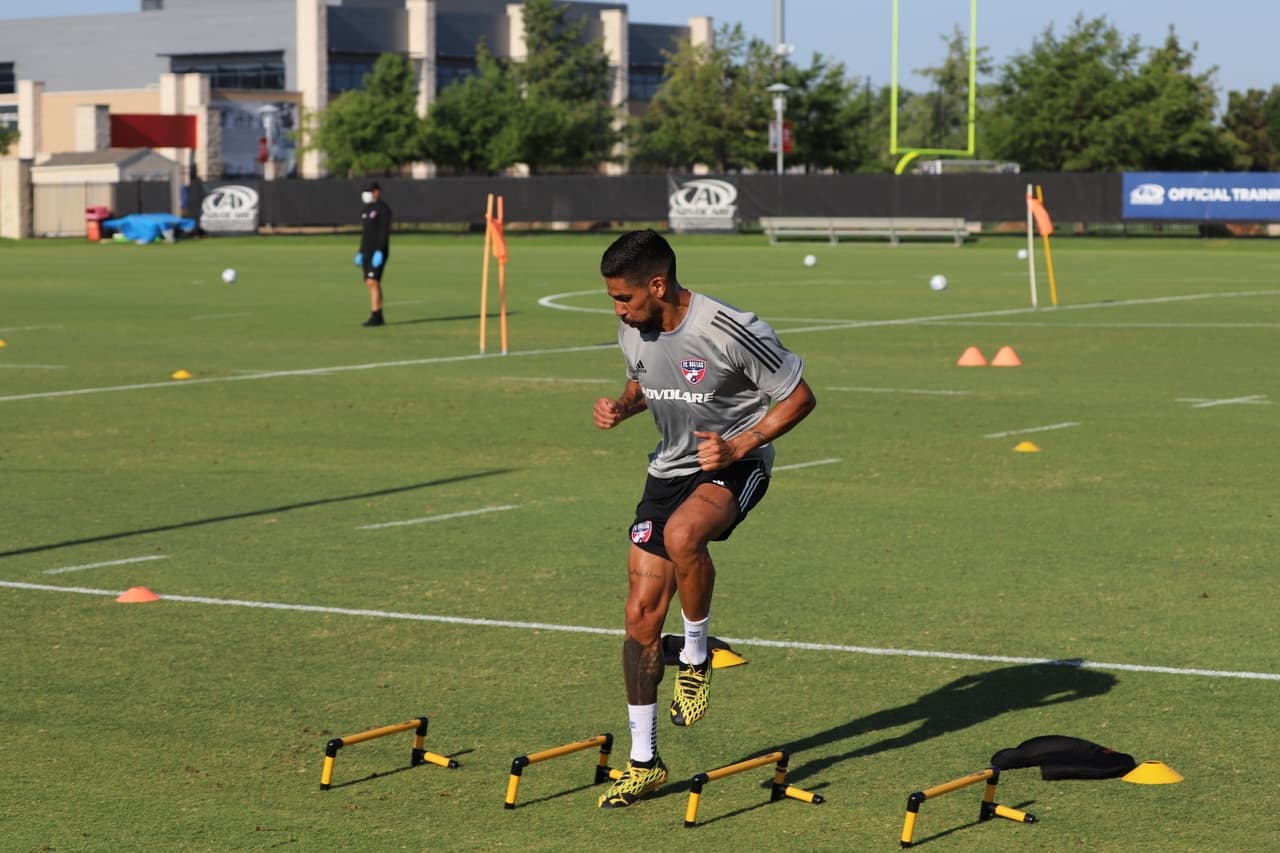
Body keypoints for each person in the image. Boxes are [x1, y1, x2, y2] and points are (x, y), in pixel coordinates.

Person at [591, 229, 817, 809]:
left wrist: (741, 445)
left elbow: (798, 397)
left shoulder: (731, 328)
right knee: (639, 619)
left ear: (658, 284)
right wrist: (623, 406)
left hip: (734, 465)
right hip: (667, 472)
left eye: (625, 297)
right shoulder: (632, 328)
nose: (618, 308)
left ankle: (694, 656)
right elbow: (645, 380)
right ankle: (645, 762)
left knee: (684, 534)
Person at [354, 181, 392, 327]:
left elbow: (383, 232)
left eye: (370, 191)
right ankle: (378, 315)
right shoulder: (366, 210)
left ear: (377, 192)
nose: (367, 194)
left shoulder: (383, 209)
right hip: (366, 252)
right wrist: (360, 252)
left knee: (372, 281)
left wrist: (380, 251)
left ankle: (376, 316)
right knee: (370, 283)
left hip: (378, 251)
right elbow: (365, 234)